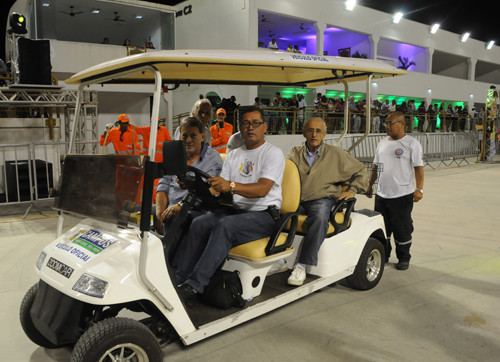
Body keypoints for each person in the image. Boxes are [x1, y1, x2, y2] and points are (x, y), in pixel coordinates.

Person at [175, 106, 285, 304]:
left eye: (256, 123)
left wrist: (231, 185)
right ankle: (178, 279)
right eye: (245, 123)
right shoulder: (235, 155)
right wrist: (195, 186)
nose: (250, 127)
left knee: (224, 226)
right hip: (235, 211)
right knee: (199, 222)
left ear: (264, 127)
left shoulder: (273, 153)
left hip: (264, 215)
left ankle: (194, 286)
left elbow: (262, 189)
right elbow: (220, 189)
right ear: (240, 128)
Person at [285, 117, 367, 285]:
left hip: (322, 198)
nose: (314, 134)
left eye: (318, 131)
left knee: (320, 218)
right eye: (310, 130)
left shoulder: (336, 154)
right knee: (275, 213)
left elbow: (360, 170)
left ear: (324, 134)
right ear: (304, 133)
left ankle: (302, 265)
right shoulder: (294, 152)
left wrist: (352, 190)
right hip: (298, 199)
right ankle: (278, 257)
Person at [366, 111, 424, 271]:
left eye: (391, 123)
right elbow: (376, 166)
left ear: (402, 124)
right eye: (387, 123)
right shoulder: (382, 143)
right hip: (382, 194)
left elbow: (419, 169)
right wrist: (370, 185)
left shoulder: (412, 144)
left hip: (402, 195)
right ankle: (384, 254)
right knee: (383, 228)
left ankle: (404, 257)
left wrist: (419, 189)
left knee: (402, 228)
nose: (388, 126)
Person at [155, 117, 222, 234]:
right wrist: (160, 212)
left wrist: (181, 205)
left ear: (202, 136)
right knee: (141, 211)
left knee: (173, 218)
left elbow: (208, 190)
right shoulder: (174, 155)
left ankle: (167, 251)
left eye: (193, 135)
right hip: (171, 204)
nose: (188, 140)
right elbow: (163, 185)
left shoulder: (212, 158)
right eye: (185, 136)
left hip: (196, 208)